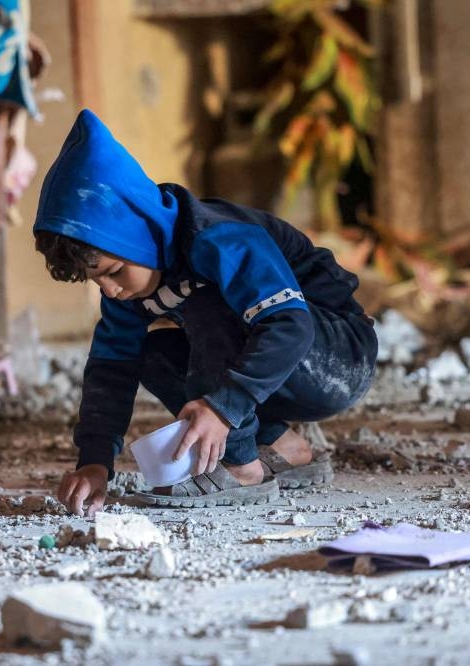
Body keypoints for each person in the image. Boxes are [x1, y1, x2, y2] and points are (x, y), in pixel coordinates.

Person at [34, 109, 377, 517]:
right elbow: (111, 368)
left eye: (113, 272)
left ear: (141, 229)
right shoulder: (127, 286)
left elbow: (290, 324)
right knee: (147, 349)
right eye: (97, 282)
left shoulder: (215, 238)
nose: (110, 290)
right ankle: (287, 448)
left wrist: (221, 408)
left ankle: (242, 467)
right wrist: (94, 462)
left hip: (336, 356)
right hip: (276, 368)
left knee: (208, 303)